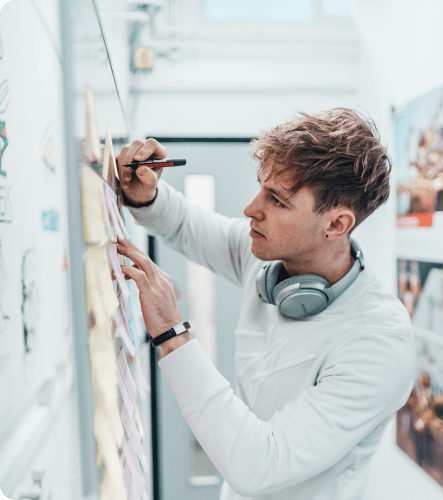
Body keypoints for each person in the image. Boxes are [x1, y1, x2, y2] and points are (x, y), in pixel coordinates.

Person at [115, 108, 416, 500]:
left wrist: (172, 334)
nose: (251, 209)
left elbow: (260, 465)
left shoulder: (379, 342)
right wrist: (147, 195)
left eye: (277, 200)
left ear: (336, 225)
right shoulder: (266, 258)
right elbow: (187, 225)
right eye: (262, 188)